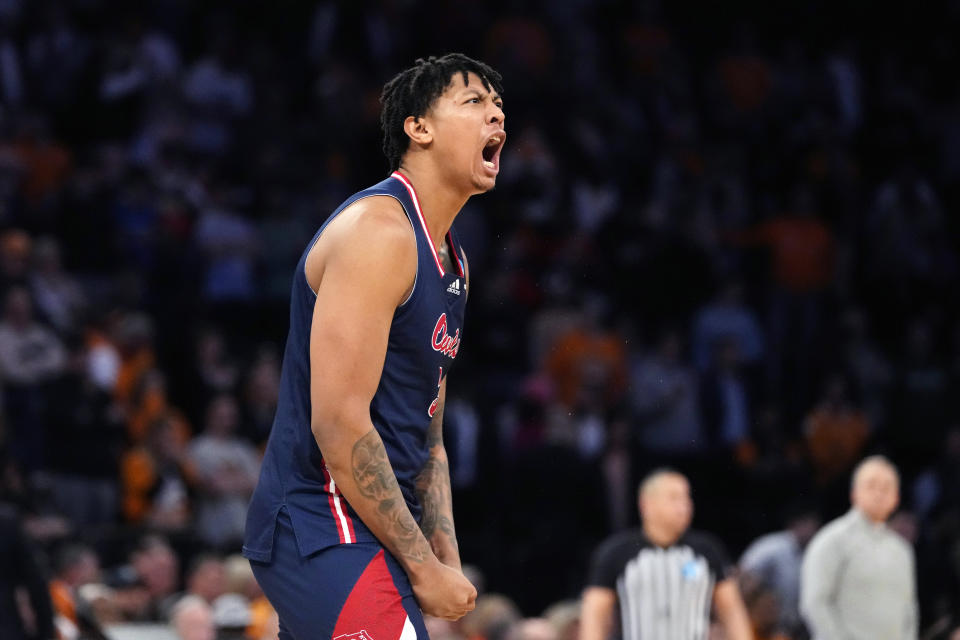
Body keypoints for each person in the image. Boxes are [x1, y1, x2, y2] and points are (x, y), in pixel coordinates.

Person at [243, 53, 505, 639]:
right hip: (321, 514)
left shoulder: (452, 260)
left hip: (372, 526)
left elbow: (428, 432)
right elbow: (337, 423)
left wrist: (446, 561)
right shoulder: (379, 232)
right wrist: (421, 563)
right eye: (475, 102)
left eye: (499, 107)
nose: (497, 118)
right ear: (419, 127)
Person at [580, 469, 752, 640]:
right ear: (646, 504)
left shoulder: (706, 550)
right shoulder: (616, 552)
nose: (684, 506)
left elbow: (731, 610)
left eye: (686, 497)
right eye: (674, 498)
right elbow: (595, 612)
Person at [800, 455, 918, 640]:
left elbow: (909, 610)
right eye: (871, 485)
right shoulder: (831, 540)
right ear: (854, 493)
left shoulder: (902, 550)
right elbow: (815, 602)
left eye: (886, 487)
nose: (879, 493)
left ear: (896, 498)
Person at [739, 504, 821, 635]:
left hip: (795, 623)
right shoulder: (773, 547)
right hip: (762, 618)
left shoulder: (815, 550)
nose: (811, 530)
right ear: (795, 524)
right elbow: (741, 574)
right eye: (807, 524)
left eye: (814, 526)